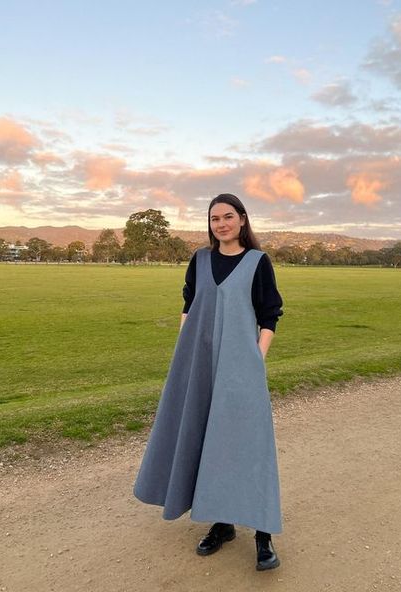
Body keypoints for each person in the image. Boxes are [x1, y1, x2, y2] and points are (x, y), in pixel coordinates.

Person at [133, 193, 283, 571]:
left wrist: (255, 357)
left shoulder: (257, 262)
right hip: (198, 367)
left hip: (241, 370)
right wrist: (185, 354)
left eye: (228, 217)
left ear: (243, 220)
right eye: (214, 218)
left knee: (249, 446)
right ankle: (222, 523)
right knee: (207, 442)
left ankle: (263, 535)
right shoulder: (199, 260)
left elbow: (270, 315)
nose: (221, 224)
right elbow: (189, 306)